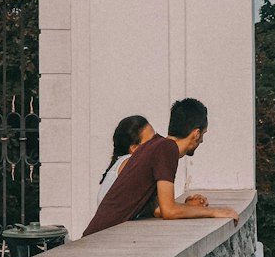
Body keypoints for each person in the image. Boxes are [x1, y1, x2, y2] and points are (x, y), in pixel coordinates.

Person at [82, 98, 239, 236]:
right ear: (196, 134)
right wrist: (215, 212)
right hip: (100, 238)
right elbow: (168, 211)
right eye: (203, 134)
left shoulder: (156, 145)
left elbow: (157, 209)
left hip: (98, 234)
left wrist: (187, 207)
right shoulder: (167, 149)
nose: (202, 141)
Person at [96, 115, 155, 200]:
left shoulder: (121, 164)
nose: (157, 143)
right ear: (134, 148)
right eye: (151, 141)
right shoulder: (131, 163)